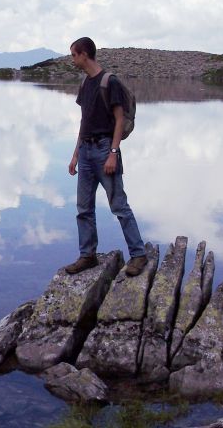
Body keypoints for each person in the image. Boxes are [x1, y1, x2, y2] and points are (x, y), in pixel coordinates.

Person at [65, 37, 148, 277]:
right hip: (86, 151)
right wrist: (75, 155)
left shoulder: (109, 81)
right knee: (83, 208)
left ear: (84, 54)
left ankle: (138, 254)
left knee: (119, 205)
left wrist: (113, 153)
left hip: (104, 150)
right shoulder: (85, 83)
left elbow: (119, 120)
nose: (72, 60)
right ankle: (87, 255)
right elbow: (85, 121)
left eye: (74, 55)